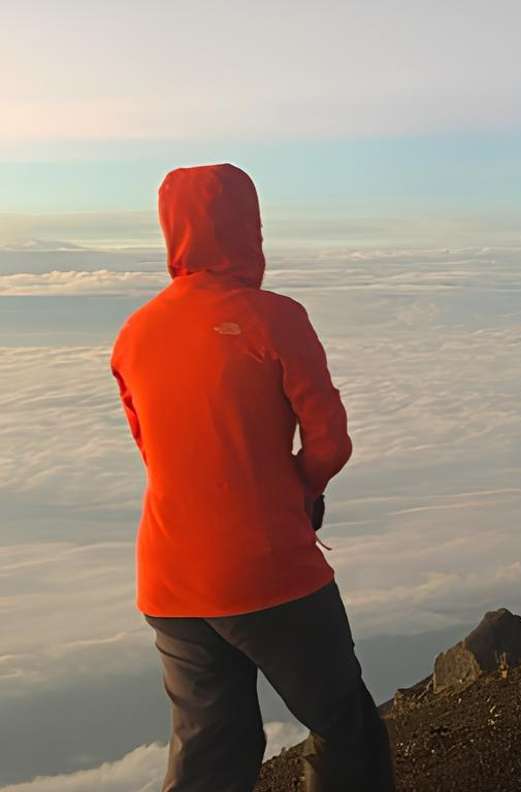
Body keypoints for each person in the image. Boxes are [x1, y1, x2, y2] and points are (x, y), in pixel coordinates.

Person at [110, 164, 393, 790]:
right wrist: (298, 490)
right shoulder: (275, 318)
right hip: (267, 568)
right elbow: (329, 442)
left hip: (169, 579)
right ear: (249, 227)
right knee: (345, 727)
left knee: (213, 747)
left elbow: (157, 454)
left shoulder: (134, 334)